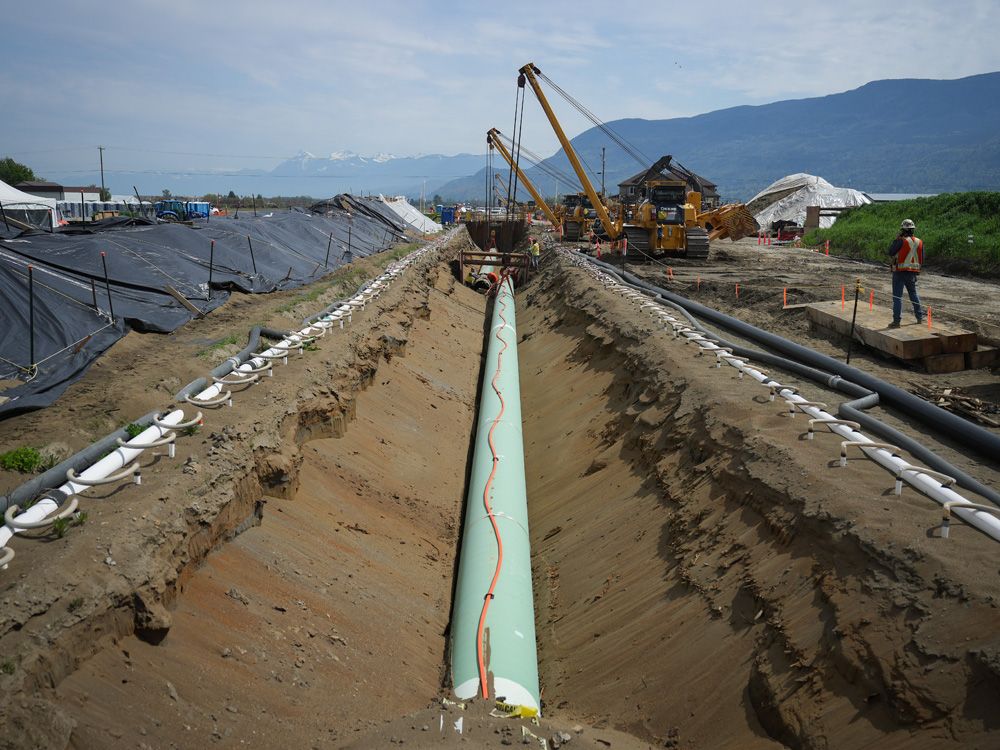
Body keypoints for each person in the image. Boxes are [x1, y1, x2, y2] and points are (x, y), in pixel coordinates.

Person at [886, 218, 923, 328]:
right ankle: (919, 317)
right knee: (913, 294)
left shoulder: (901, 240)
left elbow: (891, 252)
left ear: (903, 230)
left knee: (897, 297)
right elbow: (922, 257)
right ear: (913, 230)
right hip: (912, 273)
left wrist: (896, 240)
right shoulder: (919, 241)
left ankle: (896, 322)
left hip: (900, 272)